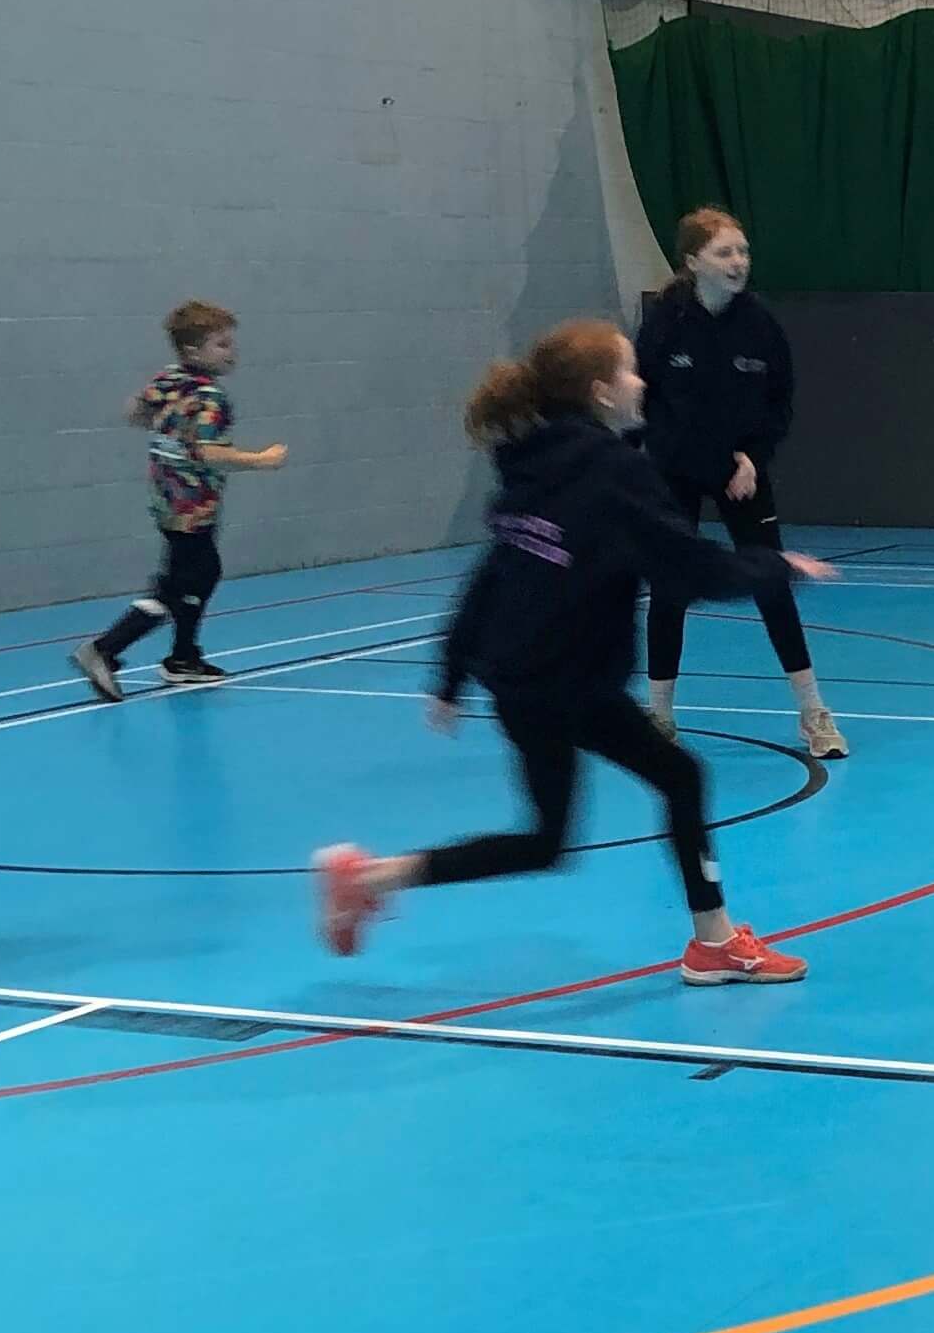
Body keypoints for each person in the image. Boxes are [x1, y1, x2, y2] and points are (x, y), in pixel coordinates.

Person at [314, 319, 835, 985]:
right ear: (599, 391)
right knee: (677, 779)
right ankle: (713, 943)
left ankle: (374, 878)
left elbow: (492, 572)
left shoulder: (530, 461)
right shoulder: (613, 473)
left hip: (523, 682)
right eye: (628, 370)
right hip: (567, 683)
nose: (641, 380)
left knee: (546, 839)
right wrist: (775, 566)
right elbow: (689, 569)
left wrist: (450, 673)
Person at [637, 208, 846, 761]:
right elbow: (653, 411)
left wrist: (752, 457)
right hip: (677, 471)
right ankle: (659, 715)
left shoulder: (761, 326)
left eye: (744, 252)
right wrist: (718, 463)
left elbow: (779, 404)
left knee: (771, 579)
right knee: (670, 588)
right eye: (725, 253)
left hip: (745, 476)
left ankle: (812, 712)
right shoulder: (664, 324)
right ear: (692, 262)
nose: (738, 263)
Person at [72, 299, 286, 700]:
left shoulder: (171, 378)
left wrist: (165, 425)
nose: (232, 351)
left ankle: (184, 657)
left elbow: (134, 411)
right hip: (190, 506)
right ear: (193, 351)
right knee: (179, 583)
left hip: (168, 497)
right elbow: (210, 452)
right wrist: (261, 460)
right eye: (221, 345)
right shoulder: (209, 396)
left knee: (201, 572)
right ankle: (104, 649)